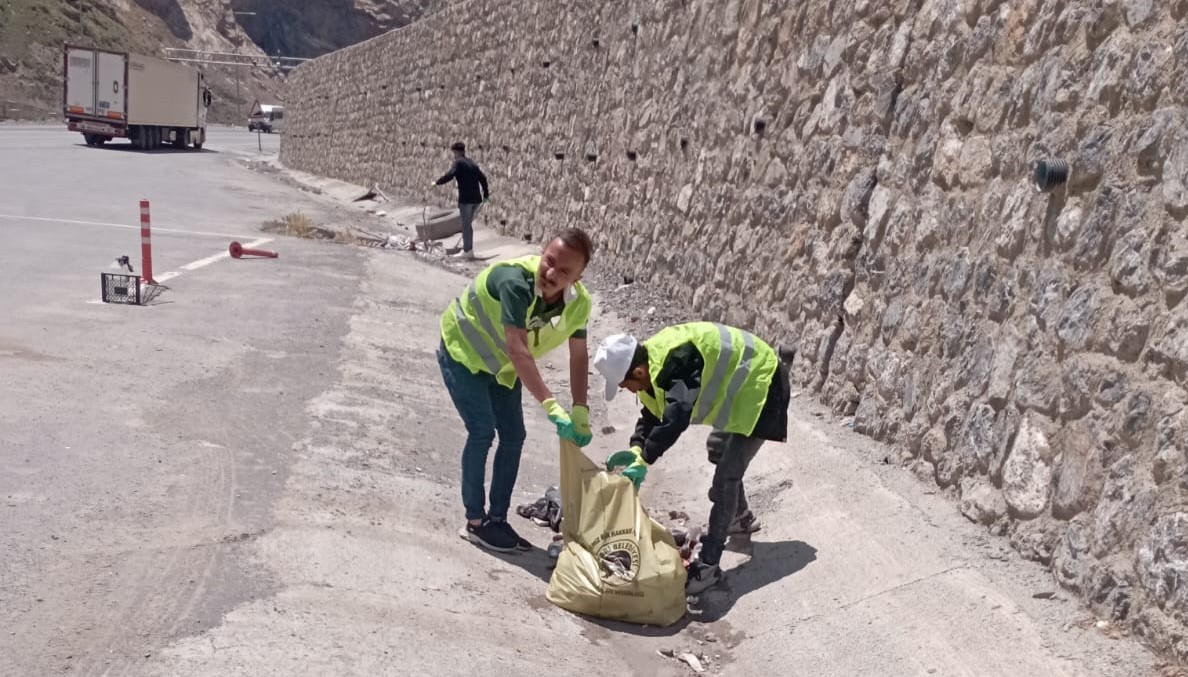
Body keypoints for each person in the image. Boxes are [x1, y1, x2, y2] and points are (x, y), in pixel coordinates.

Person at [592, 323, 795, 594]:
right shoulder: (651, 366)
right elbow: (653, 413)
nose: (628, 391)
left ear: (638, 371)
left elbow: (677, 416)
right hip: (741, 390)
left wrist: (647, 458)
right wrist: (638, 447)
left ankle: (709, 564)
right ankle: (739, 518)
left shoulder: (677, 361)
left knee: (726, 478)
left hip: (763, 388)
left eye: (625, 385)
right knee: (717, 449)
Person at [438, 228, 597, 553]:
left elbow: (579, 353)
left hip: (500, 368)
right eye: (549, 261)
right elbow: (518, 349)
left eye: (564, 271)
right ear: (542, 252)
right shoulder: (515, 282)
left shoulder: (578, 305)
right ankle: (475, 522)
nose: (551, 273)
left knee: (513, 436)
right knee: (482, 431)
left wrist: (580, 408)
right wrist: (552, 405)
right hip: (463, 352)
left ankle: (498, 519)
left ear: (578, 278)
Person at [430, 141, 490, 260]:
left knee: (465, 225)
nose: (453, 154)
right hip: (476, 199)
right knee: (468, 225)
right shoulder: (472, 163)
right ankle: (468, 249)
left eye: (453, 152)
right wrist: (486, 195)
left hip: (466, 199)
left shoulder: (458, 163)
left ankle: (467, 251)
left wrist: (437, 182)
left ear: (456, 152)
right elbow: (483, 178)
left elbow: (450, 175)